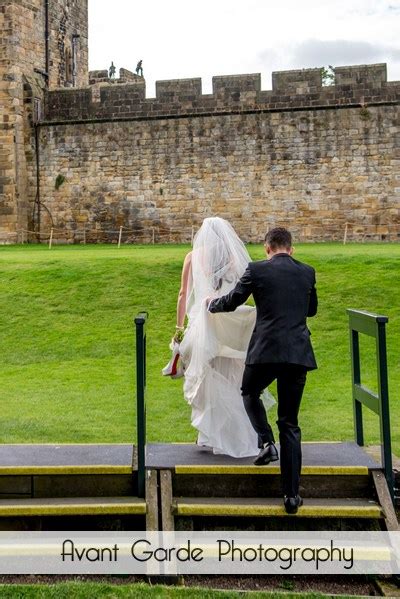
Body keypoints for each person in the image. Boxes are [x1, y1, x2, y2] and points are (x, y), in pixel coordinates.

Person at [207, 227, 317, 514]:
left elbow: (232, 301)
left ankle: (266, 441)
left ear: (267, 249)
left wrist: (211, 305)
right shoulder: (308, 272)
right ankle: (291, 497)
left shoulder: (256, 270)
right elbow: (312, 310)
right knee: (290, 423)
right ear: (291, 249)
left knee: (249, 391)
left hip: (266, 351)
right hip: (297, 353)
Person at [173, 217, 260, 458]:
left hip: (203, 324)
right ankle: (235, 435)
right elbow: (243, 293)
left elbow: (183, 294)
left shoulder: (192, 257)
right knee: (231, 379)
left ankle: (210, 436)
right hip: (227, 325)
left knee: (207, 379)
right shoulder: (233, 259)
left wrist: (179, 327)